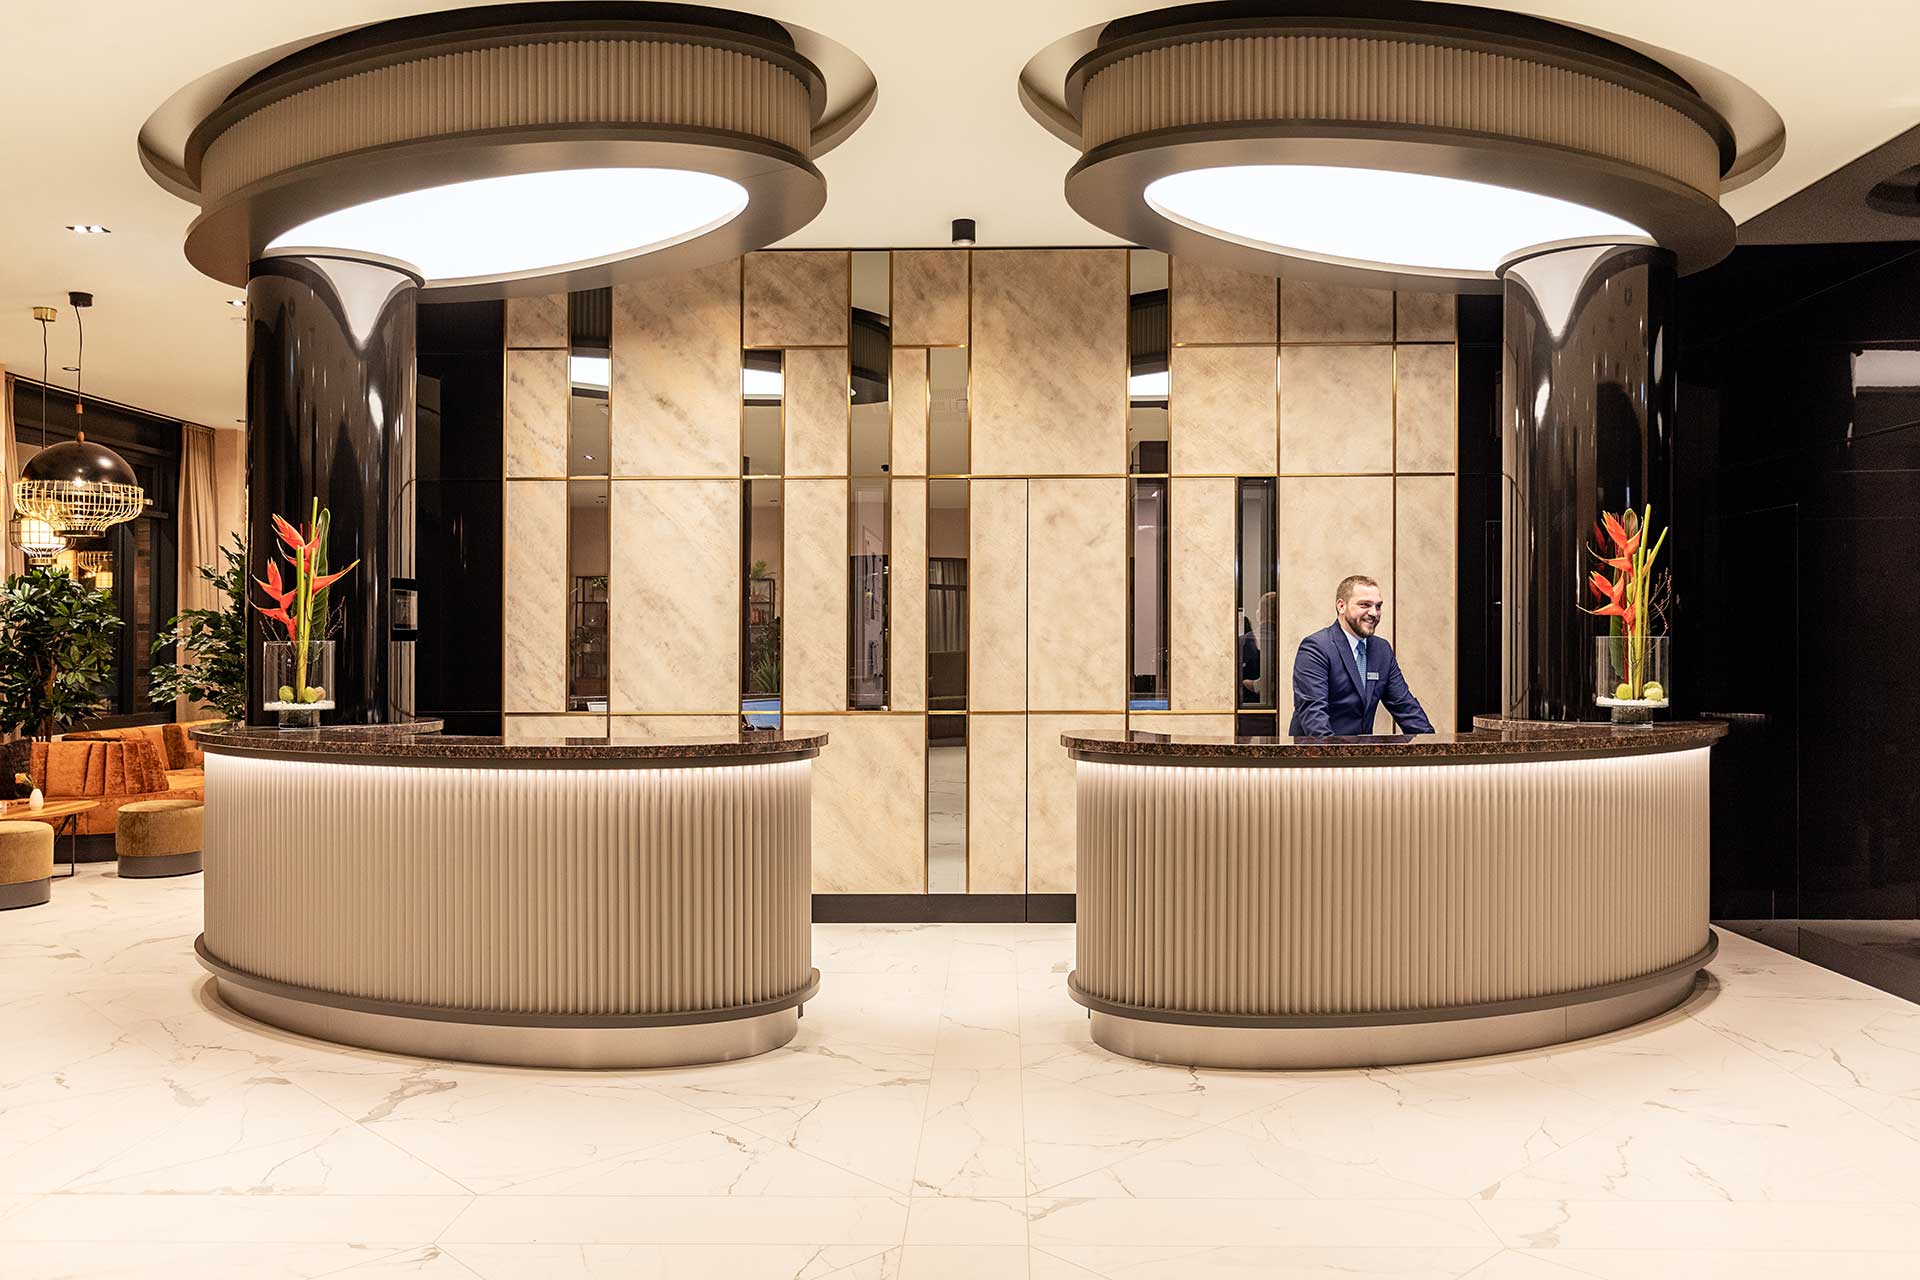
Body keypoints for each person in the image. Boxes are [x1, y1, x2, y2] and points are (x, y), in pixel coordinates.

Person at [1288, 574, 1433, 736]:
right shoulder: (1316, 648)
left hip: (1361, 750)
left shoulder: (1382, 650)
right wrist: (1336, 752)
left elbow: (1405, 707)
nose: (1374, 613)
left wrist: (1432, 745)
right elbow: (1314, 716)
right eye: (1365, 605)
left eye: (1378, 606)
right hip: (1319, 750)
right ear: (1341, 606)